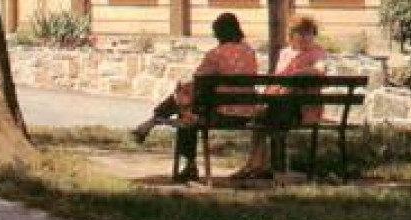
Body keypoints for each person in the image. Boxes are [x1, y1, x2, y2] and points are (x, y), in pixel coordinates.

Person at [130, 12, 257, 183]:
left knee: (186, 111)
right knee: (187, 104)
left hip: (222, 114)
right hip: (247, 112)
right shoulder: (249, 51)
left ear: (219, 33)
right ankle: (152, 122)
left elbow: (199, 79)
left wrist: (181, 91)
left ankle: (158, 126)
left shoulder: (216, 54)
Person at [231, 15, 329, 180]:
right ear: (291, 35)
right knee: (260, 117)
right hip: (282, 105)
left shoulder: (317, 52)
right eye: (301, 33)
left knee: (263, 117)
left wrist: (299, 72)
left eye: (309, 33)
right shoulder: (284, 53)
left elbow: (320, 70)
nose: (305, 37)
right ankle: (258, 164)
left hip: (303, 109)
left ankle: (257, 164)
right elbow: (278, 80)